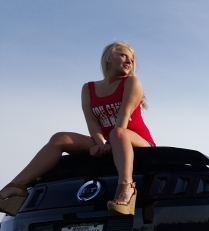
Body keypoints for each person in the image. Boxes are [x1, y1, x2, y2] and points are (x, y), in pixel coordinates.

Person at [0, 41, 155, 216]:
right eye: (123, 55)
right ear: (109, 58)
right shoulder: (89, 88)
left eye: (132, 59)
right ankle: (17, 187)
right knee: (60, 138)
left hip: (137, 140)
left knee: (118, 133)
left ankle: (126, 189)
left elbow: (123, 117)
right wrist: (98, 143)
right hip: (110, 140)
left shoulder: (132, 82)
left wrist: (109, 142)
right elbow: (92, 122)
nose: (129, 61)